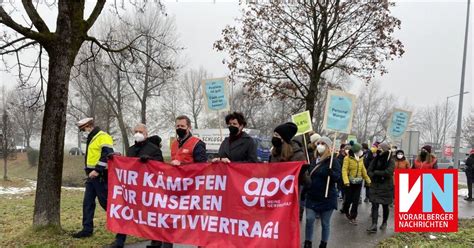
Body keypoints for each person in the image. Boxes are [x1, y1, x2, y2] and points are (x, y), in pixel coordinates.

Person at [111, 124, 167, 248]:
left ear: (146, 134)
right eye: (135, 131)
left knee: (152, 215)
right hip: (132, 190)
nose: (138, 133)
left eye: (140, 131)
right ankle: (119, 241)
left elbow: (161, 167)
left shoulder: (154, 149)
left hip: (149, 189)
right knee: (125, 212)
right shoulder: (130, 150)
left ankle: (156, 241)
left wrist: (150, 160)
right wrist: (115, 160)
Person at [72, 118, 114, 238]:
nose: (83, 132)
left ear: (89, 126)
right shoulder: (92, 138)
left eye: (83, 129)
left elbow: (108, 155)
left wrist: (97, 170)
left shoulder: (103, 136)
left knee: (105, 202)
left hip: (100, 176)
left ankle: (122, 224)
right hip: (91, 176)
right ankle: (87, 229)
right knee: (88, 203)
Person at [303, 137, 341, 248]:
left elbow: (338, 178)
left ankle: (323, 243)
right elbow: (308, 176)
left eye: (323, 143)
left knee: (325, 223)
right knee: (309, 219)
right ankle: (307, 242)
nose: (320, 145)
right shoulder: (313, 160)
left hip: (327, 197)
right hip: (312, 196)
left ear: (328, 147)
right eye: (318, 143)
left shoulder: (333, 161)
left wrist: (331, 174)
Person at [366, 142, 395, 233]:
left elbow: (388, 172)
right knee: (374, 205)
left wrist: (376, 173)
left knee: (385, 206)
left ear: (385, 150)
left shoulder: (390, 161)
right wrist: (371, 174)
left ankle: (384, 222)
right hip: (375, 185)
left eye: (381, 148)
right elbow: (369, 170)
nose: (379, 150)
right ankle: (374, 224)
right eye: (378, 148)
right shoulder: (376, 158)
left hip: (386, 186)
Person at [341, 141, 371, 225]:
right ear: (355, 151)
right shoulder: (347, 158)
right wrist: (346, 181)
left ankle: (353, 217)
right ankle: (346, 209)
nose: (361, 151)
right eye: (359, 150)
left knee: (356, 201)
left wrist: (368, 180)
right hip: (349, 183)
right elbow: (344, 170)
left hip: (358, 183)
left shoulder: (361, 158)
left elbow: (363, 170)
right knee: (348, 200)